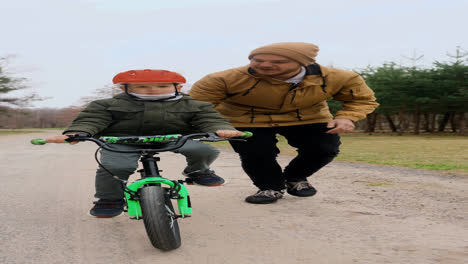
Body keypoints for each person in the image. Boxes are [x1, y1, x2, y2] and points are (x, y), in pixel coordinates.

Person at [189, 42, 379, 204]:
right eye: (257, 60)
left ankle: (295, 178)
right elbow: (196, 105)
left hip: (308, 116)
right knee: (256, 152)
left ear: (304, 62)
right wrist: (213, 125)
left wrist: (347, 116)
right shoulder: (223, 79)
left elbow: (362, 99)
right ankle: (270, 187)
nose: (265, 65)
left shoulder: (338, 78)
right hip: (246, 118)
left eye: (278, 62)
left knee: (323, 148)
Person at [46, 69, 243, 217]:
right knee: (114, 166)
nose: (152, 90)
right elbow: (91, 119)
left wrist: (220, 129)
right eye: (141, 86)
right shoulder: (106, 104)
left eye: (162, 86)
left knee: (204, 150)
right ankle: (109, 199)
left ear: (178, 87)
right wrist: (76, 133)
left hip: (172, 139)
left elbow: (209, 119)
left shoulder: (195, 104)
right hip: (122, 141)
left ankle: (197, 171)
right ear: (124, 88)